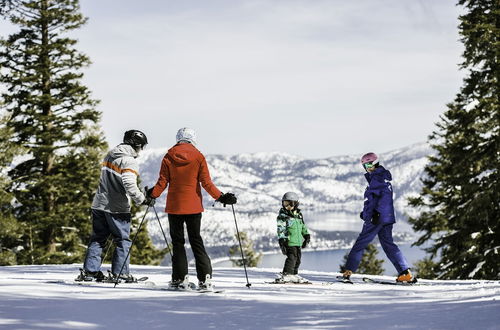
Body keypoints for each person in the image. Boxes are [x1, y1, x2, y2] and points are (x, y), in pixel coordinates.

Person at [147, 127, 236, 290]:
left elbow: (162, 182)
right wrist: (221, 197)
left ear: (178, 138)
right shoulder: (199, 156)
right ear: (193, 139)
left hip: (175, 206)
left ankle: (179, 279)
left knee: (178, 243)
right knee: (196, 241)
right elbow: (206, 183)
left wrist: (152, 194)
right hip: (194, 206)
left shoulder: (168, 156)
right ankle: (205, 278)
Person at [77, 130, 155, 282]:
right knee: (122, 240)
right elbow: (129, 184)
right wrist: (142, 199)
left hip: (99, 204)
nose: (141, 149)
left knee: (98, 239)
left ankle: (90, 272)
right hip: (117, 207)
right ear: (136, 144)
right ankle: (120, 273)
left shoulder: (110, 155)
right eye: (141, 146)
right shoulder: (128, 161)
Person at [342, 152, 414, 282]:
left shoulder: (377, 178)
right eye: (364, 165)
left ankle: (348, 272)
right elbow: (378, 200)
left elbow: (379, 200)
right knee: (388, 245)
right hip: (386, 217)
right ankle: (405, 273)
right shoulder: (382, 177)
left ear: (376, 162)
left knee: (360, 243)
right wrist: (366, 213)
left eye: (369, 164)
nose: (367, 167)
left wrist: (372, 215)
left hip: (377, 218)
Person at [276, 192, 311, 283]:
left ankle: (294, 274)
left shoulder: (299, 215)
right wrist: (282, 241)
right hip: (289, 241)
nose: (287, 206)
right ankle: (287, 274)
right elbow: (281, 229)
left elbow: (302, 226)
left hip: (297, 242)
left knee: (298, 259)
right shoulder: (283, 216)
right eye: (285, 203)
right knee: (292, 258)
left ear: (295, 204)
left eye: (290, 203)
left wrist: (306, 235)